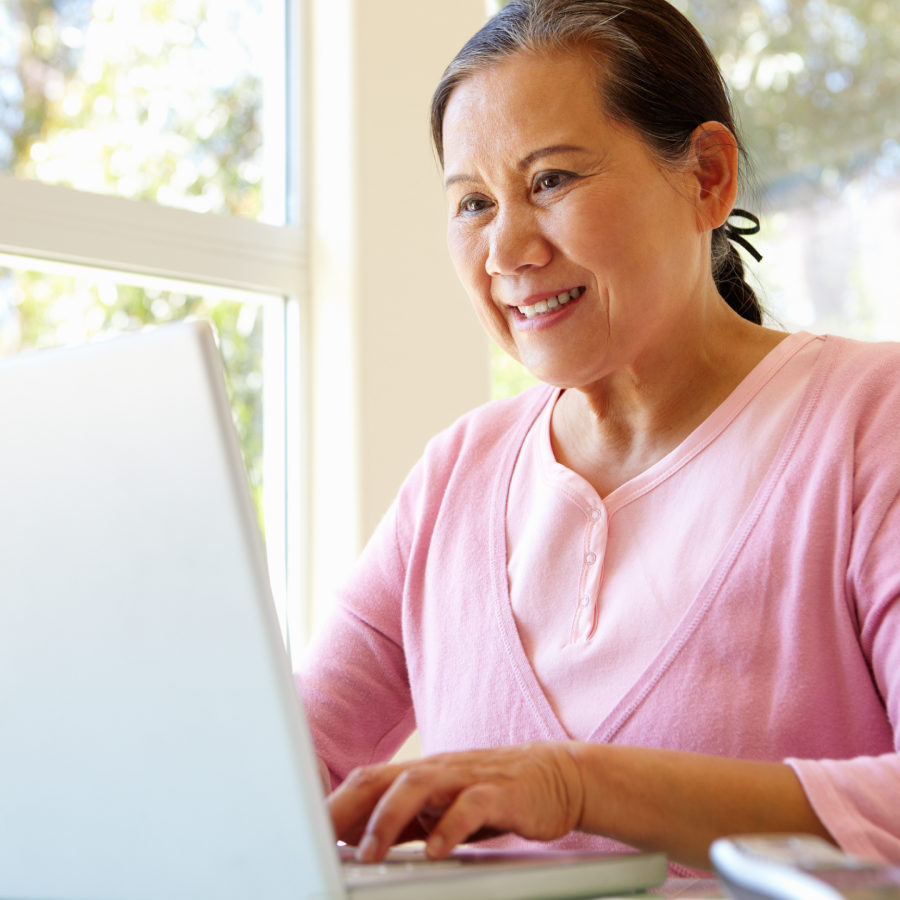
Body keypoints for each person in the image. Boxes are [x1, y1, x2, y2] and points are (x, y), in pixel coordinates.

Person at [298, 0, 900, 876]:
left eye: (551, 181)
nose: (506, 250)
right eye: (472, 202)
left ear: (706, 177)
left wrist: (577, 786)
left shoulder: (869, 421)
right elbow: (278, 777)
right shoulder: (454, 477)